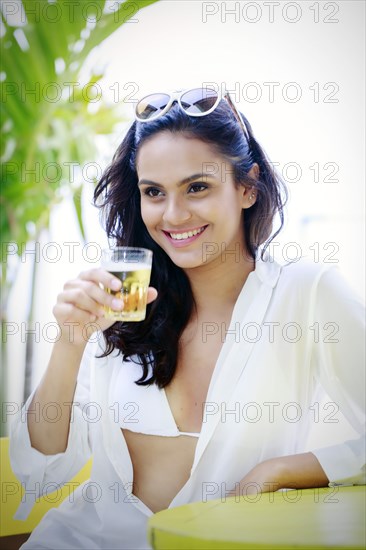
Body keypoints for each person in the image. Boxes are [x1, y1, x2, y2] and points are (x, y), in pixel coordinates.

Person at [10, 87, 365, 549]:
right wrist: (70, 341)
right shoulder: (123, 297)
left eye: (197, 187)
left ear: (247, 186)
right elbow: (41, 468)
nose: (173, 215)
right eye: (153, 192)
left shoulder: (306, 294)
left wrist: (279, 471)